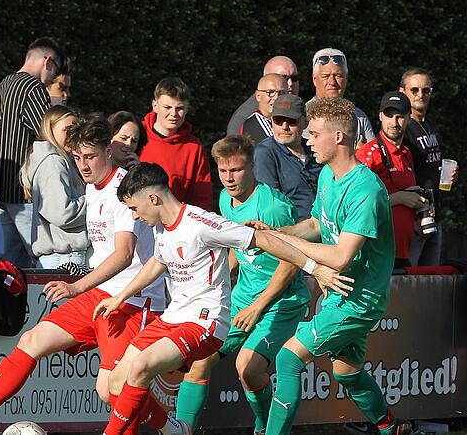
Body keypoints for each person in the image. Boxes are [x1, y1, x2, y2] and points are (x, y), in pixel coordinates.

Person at [0, 118, 167, 435]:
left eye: (90, 156)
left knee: (111, 390)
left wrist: (76, 286)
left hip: (132, 300)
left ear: (108, 151)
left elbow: (124, 255)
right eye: (77, 157)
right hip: (99, 296)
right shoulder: (92, 186)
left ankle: (173, 428)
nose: (83, 165)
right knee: (32, 340)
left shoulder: (123, 191)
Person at [92, 162, 342, 435]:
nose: (134, 216)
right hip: (174, 317)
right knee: (115, 384)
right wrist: (120, 296)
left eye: (134, 208)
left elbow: (263, 240)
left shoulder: (201, 223)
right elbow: (157, 262)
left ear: (153, 198)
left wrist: (313, 267)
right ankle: (176, 430)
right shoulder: (160, 226)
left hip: (204, 322)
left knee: (141, 367)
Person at [251, 97, 413, 435]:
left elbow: (341, 257)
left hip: (359, 299)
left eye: (313, 133)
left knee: (287, 359)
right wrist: (276, 232)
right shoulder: (327, 174)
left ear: (338, 137)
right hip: (339, 293)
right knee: (346, 372)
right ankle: (392, 429)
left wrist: (282, 244)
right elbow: (315, 224)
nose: (307, 139)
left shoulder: (366, 189)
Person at [174, 135, 309, 434]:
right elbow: (237, 248)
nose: (229, 178)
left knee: (247, 367)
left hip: (281, 302)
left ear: (252, 168)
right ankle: (181, 431)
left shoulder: (273, 207)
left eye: (236, 170)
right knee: (198, 360)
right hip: (243, 297)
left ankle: (263, 428)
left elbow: (290, 262)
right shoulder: (224, 199)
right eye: (223, 171)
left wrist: (258, 307)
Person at [0, 37, 64, 267]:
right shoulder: (33, 88)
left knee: (10, 265)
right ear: (47, 61)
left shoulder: (1, 86)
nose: (52, 78)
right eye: (55, 71)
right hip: (25, 190)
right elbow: (48, 136)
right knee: (40, 258)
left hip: (0, 187)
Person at [356, 92, 422, 269]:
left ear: (409, 118)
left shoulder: (407, 153)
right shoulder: (369, 153)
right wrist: (399, 198)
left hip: (402, 251)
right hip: (376, 253)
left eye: (400, 117)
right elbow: (355, 203)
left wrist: (418, 203)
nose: (394, 123)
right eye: (389, 116)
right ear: (380, 117)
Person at [400, 67, 458, 266]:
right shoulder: (403, 128)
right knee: (411, 278)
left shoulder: (430, 125)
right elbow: (400, 174)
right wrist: (413, 217)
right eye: (414, 90)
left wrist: (446, 174)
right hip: (416, 218)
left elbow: (429, 166)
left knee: (429, 279)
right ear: (403, 92)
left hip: (434, 213)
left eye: (426, 90)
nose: (420, 95)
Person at [21, 105, 88, 268]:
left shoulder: (55, 160)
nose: (74, 135)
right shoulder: (53, 162)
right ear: (50, 129)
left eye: (76, 129)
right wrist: (95, 199)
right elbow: (62, 213)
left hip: (60, 257)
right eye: (68, 129)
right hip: (64, 257)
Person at [139, 77, 212, 210]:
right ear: (155, 106)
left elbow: (202, 197)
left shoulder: (194, 147)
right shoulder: (136, 136)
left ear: (187, 108)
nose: (173, 114)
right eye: (167, 107)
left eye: (179, 108)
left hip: (175, 224)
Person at [254, 94, 323, 221]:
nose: (284, 127)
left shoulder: (315, 150)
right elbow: (273, 205)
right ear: (271, 122)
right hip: (292, 230)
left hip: (325, 228)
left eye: (291, 121)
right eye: (278, 120)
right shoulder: (265, 153)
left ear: (305, 123)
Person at [303, 48, 373, 148]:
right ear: (314, 80)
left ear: (346, 78)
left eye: (338, 75)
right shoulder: (303, 115)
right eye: (325, 76)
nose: (332, 82)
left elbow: (373, 155)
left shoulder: (359, 117)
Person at [227, 56, 300, 135]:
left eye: (294, 78)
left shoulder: (298, 107)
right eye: (282, 78)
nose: (290, 83)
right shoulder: (245, 119)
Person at [240, 74, 288, 145]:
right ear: (258, 96)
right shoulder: (252, 125)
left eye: (282, 93)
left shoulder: (291, 119)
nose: (277, 97)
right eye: (270, 92)